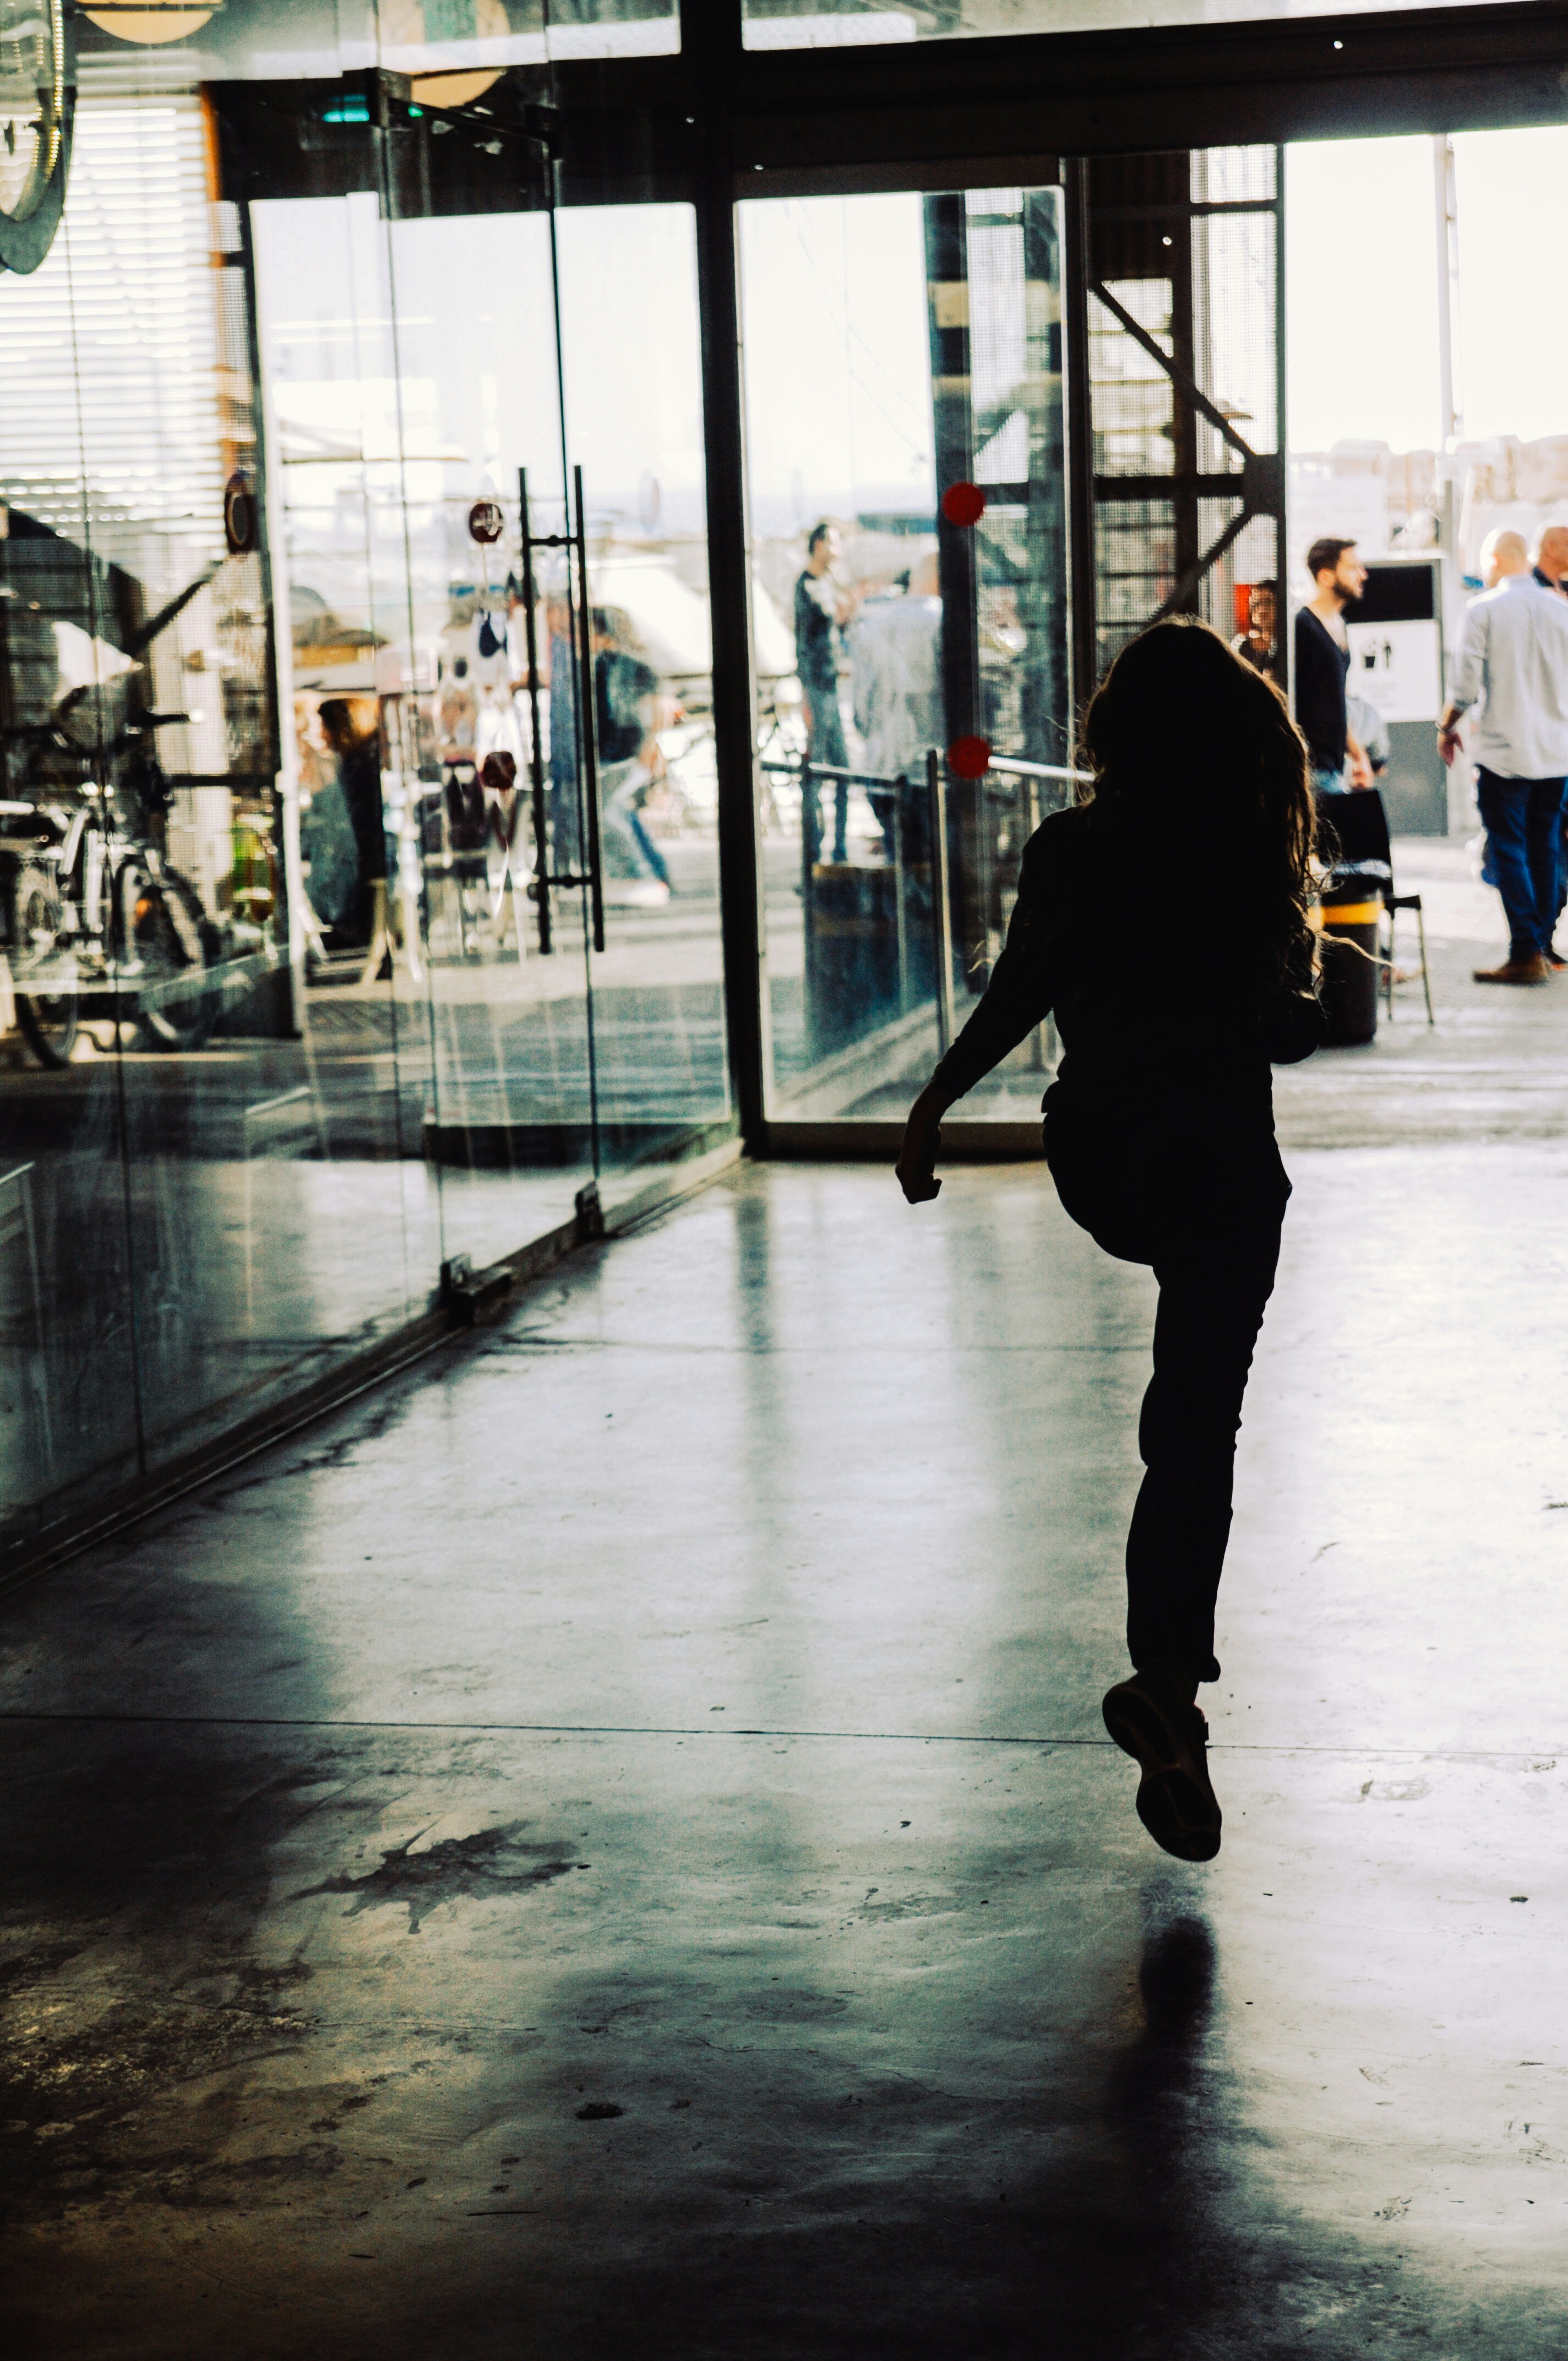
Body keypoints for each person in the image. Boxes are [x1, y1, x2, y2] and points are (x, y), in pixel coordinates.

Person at [896, 619, 1323, 1864]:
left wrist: (929, 1105)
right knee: (1193, 1424)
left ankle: (1169, 1710)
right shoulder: (1243, 845)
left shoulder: (1070, 847)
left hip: (1101, 1157)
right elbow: (1284, 1032)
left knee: (1182, 1389)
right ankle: (1164, 1685)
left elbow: (1017, 991)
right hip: (1214, 1168)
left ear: (1115, 732)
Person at [1439, 526, 1568, 986]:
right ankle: (1540, 946)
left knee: (1509, 850)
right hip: (1556, 756)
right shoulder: (1561, 609)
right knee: (1545, 849)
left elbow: (1464, 687)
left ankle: (1525, 953)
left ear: (1494, 559)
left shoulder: (1483, 610)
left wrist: (1446, 727)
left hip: (1504, 755)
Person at [850, 550, 943, 857]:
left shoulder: (873, 627)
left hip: (883, 769)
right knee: (940, 862)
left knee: (902, 860)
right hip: (933, 771)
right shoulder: (944, 622)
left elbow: (861, 710)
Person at [592, 607, 671, 899]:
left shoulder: (630, 665)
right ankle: (654, 870)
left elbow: (655, 709)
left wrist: (650, 746)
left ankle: (643, 872)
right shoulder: (604, 665)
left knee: (608, 810)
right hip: (618, 750)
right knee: (619, 810)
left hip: (628, 751)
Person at [794, 520, 856, 865]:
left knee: (841, 770)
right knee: (820, 772)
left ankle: (837, 846)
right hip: (818, 688)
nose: (838, 550)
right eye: (833, 543)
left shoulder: (827, 583)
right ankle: (817, 847)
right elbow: (805, 643)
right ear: (819, 545)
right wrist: (806, 694)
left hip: (830, 685)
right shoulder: (807, 586)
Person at [1294, 538, 1373, 792]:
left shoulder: (1340, 625)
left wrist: (1358, 755)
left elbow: (1333, 703)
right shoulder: (1302, 626)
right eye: (1352, 568)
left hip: (1332, 768)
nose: (1363, 575)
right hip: (1311, 770)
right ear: (1326, 576)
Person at [1232, 579, 1277, 674]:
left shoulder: (1287, 644)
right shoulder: (1243, 644)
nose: (1261, 610)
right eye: (1256, 604)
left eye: (1268, 603)